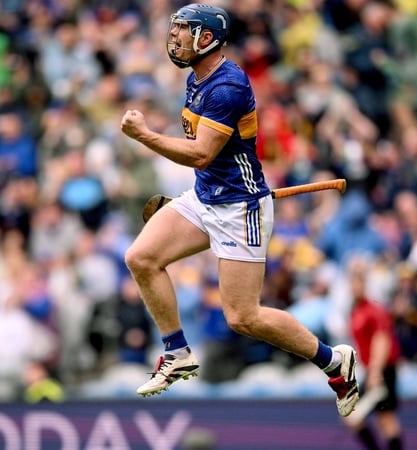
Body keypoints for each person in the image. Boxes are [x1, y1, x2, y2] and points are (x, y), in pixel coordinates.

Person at [120, 3, 359, 417]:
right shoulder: (197, 77)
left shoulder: (227, 86)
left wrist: (144, 135)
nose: (173, 37)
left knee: (242, 317)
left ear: (206, 38)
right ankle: (177, 353)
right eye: (174, 28)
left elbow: (200, 153)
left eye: (182, 30)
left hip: (239, 209)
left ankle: (334, 360)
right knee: (141, 257)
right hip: (205, 196)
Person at [343, 263, 404, 450]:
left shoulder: (373, 310)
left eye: (359, 282)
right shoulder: (355, 310)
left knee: (381, 418)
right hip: (372, 370)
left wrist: (376, 371)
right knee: (381, 418)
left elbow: (382, 339)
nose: (355, 286)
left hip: (382, 370)